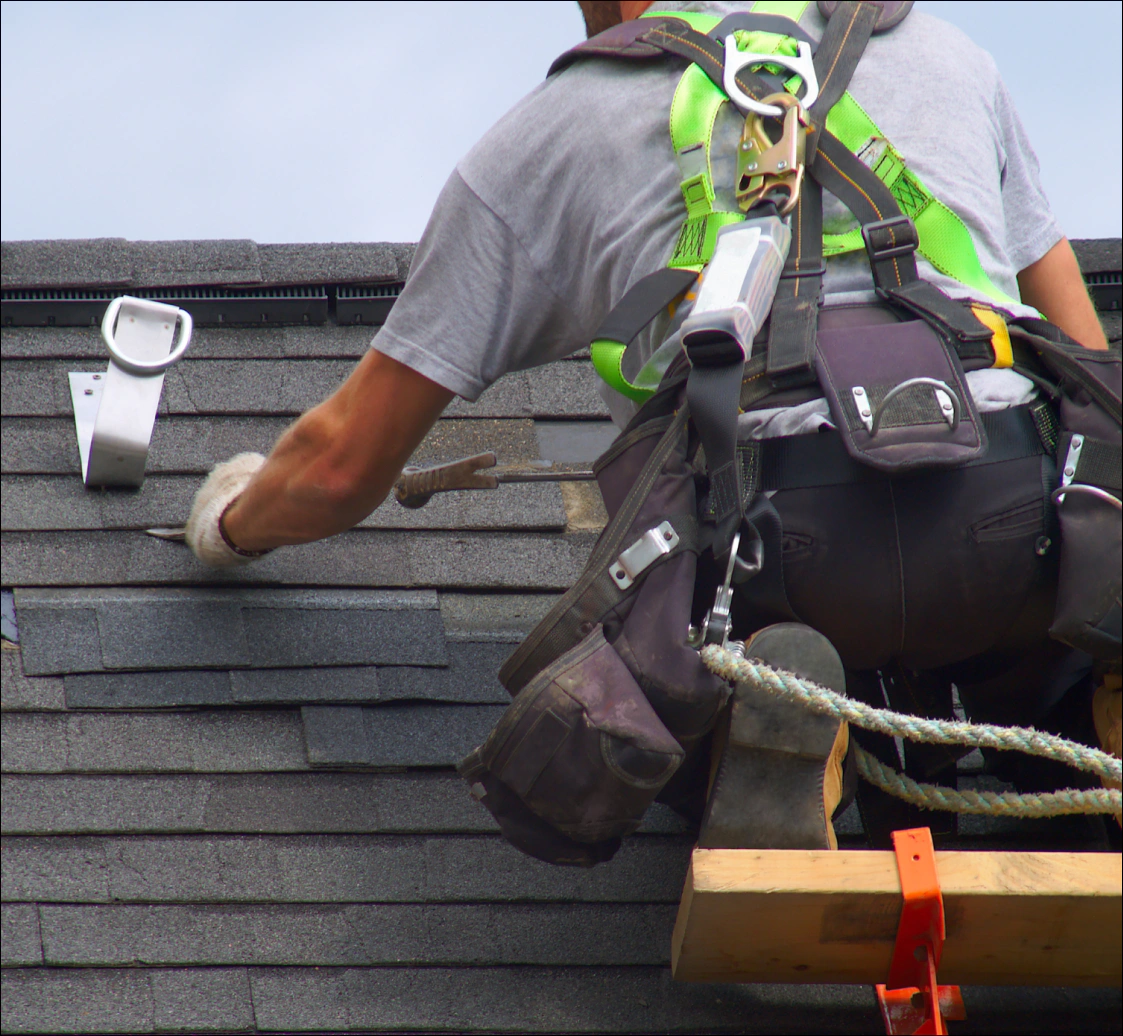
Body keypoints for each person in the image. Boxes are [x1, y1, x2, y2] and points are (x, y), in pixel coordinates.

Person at [186, 0, 1118, 853]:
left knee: (678, 643)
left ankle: (760, 733)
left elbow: (343, 463)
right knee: (1056, 636)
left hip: (775, 558)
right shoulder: (943, 53)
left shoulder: (553, 132)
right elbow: (1092, 377)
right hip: (1010, 528)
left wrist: (229, 523)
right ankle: (1087, 724)